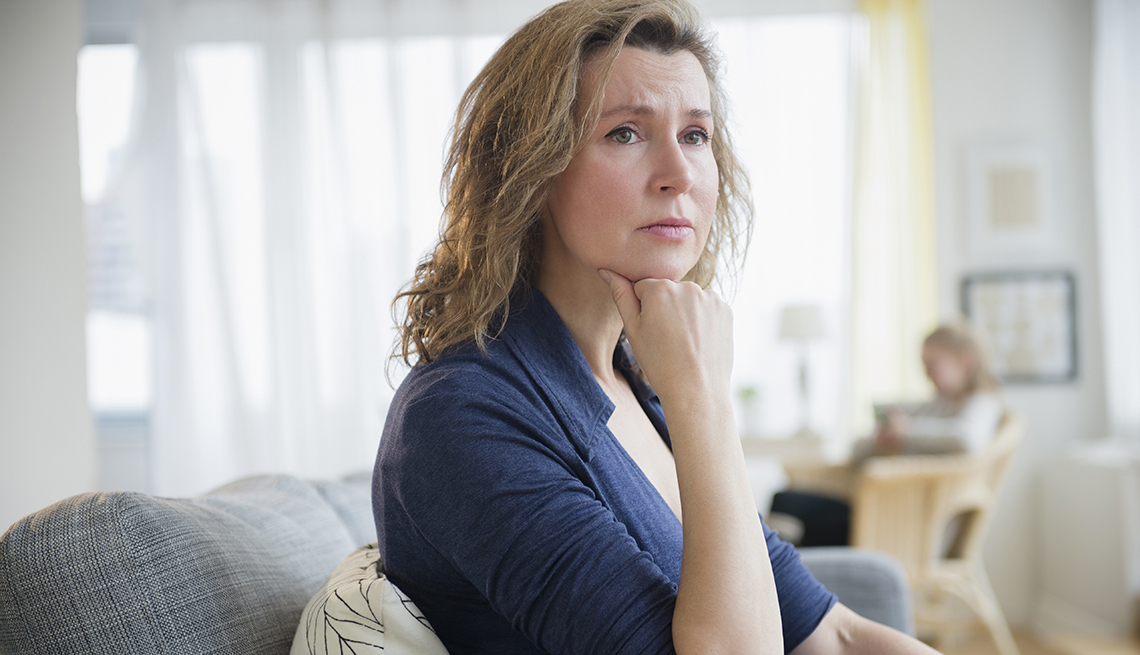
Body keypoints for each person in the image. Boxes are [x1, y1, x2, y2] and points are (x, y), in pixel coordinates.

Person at [373, 1, 939, 652]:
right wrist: (703, 397)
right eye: (625, 133)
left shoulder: (636, 380)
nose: (679, 175)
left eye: (696, 134)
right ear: (532, 171)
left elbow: (831, 635)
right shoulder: (461, 414)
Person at [769, 321, 1005, 548]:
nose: (926, 375)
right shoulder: (934, 406)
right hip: (882, 509)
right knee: (786, 503)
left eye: (932, 365)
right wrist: (880, 441)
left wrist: (905, 432)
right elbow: (856, 452)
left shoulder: (982, 403)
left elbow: (967, 439)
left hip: (900, 525)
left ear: (965, 360)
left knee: (789, 507)